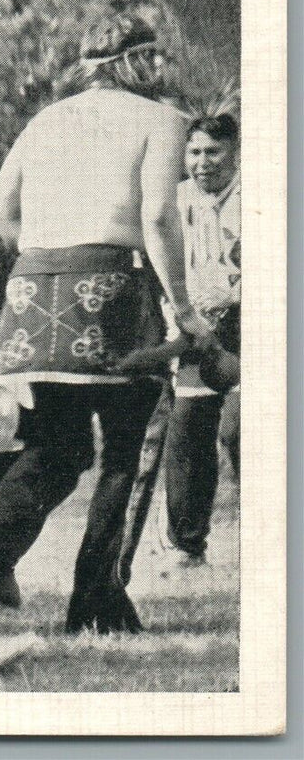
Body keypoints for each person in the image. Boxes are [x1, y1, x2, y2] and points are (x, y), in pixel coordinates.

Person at [0, 12, 217, 634]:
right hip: (112, 290)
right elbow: (157, 218)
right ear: (128, 63)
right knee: (129, 450)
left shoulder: (45, 119)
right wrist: (182, 309)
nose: (160, 69)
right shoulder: (161, 120)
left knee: (56, 443)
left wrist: (45, 259)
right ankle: (96, 601)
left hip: (34, 291)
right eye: (151, 58)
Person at [163, 113, 241, 567]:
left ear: (235, 151)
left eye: (213, 151)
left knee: (241, 430)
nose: (203, 162)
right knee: (188, 431)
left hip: (253, 322)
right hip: (197, 327)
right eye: (194, 152)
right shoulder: (175, 200)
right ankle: (188, 547)